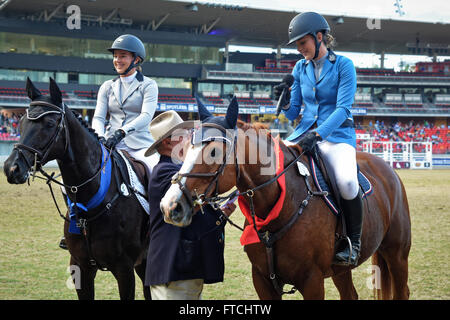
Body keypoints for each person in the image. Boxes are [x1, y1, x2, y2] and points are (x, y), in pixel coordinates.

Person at [274, 12, 362, 266]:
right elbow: (293, 113)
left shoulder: (344, 65)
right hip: (303, 133)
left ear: (319, 37)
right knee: (275, 168)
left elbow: (343, 109)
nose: (300, 49)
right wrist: (285, 98)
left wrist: (319, 134)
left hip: (336, 135)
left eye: (303, 43)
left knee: (346, 182)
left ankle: (352, 242)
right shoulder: (300, 68)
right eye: (298, 45)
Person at [59, 34, 158, 250]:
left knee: (157, 177)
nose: (117, 60)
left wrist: (121, 132)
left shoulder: (148, 86)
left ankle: (157, 227)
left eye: (123, 56)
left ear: (136, 59)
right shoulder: (107, 86)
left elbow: (146, 116)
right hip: (111, 143)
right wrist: (100, 135)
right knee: (73, 182)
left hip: (141, 145)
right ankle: (75, 228)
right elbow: (98, 115)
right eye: (115, 56)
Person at [144, 111, 234, 299]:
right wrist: (220, 215)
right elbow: (193, 213)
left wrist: (221, 214)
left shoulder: (175, 170)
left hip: (184, 269)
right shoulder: (166, 172)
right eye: (185, 134)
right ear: (168, 143)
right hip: (174, 269)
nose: (192, 137)